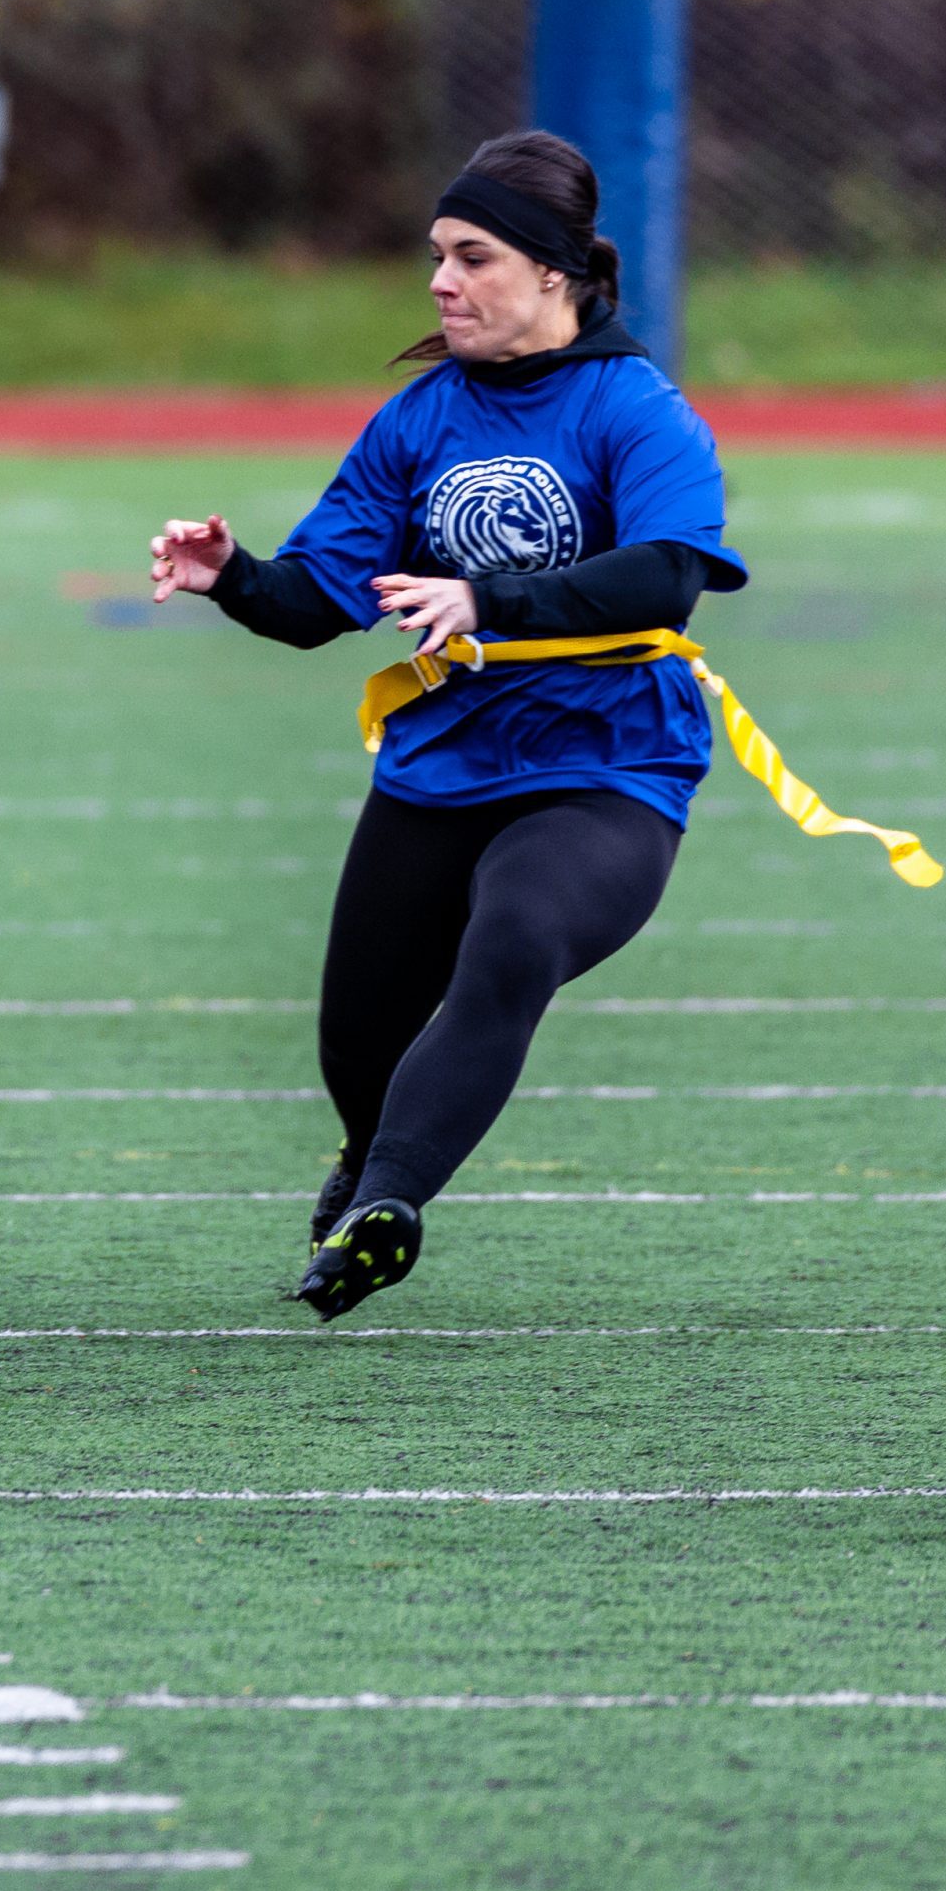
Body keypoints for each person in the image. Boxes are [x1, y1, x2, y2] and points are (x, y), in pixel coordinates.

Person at [149, 130, 748, 1317]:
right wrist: (233, 575)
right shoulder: (419, 419)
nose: (440, 281)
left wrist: (490, 598)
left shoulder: (639, 409)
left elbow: (667, 575)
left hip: (607, 765)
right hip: (441, 766)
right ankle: (369, 1163)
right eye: (436, 255)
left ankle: (392, 1200)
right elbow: (317, 604)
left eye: (471, 256)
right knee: (353, 1041)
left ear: (552, 273)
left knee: (515, 936)